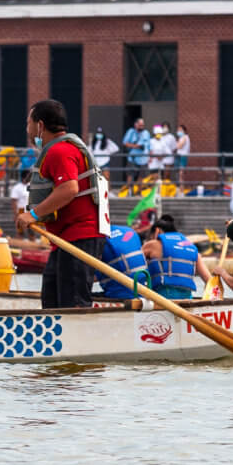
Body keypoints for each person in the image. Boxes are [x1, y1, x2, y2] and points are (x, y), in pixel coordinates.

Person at [22, 99, 106, 309]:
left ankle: (78, 340)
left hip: (79, 237)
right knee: (52, 301)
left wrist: (32, 215)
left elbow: (69, 188)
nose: (27, 130)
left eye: (28, 123)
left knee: (73, 304)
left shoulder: (60, 151)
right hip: (66, 238)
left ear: (40, 126)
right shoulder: (65, 148)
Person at [141, 215, 211, 301]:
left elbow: (132, 264)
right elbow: (210, 281)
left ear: (157, 231)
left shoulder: (152, 245)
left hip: (163, 297)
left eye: (150, 237)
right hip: (187, 297)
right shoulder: (192, 248)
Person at [97, 222, 150, 301]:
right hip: (145, 291)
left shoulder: (100, 237)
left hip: (120, 293)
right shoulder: (129, 230)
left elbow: (90, 275)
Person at [121, 118, 150, 188]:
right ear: (135, 125)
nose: (141, 127)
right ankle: (129, 191)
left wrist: (150, 157)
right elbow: (125, 143)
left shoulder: (146, 133)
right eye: (140, 125)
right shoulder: (131, 132)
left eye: (143, 125)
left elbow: (148, 146)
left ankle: (138, 192)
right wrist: (135, 146)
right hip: (132, 158)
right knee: (130, 174)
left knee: (142, 175)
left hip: (143, 159)